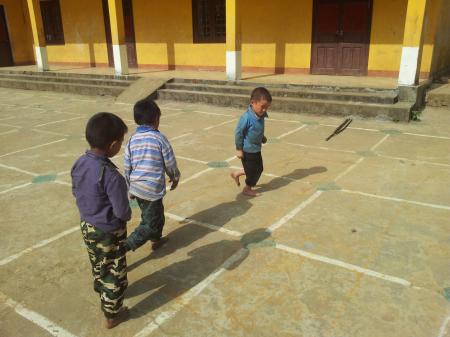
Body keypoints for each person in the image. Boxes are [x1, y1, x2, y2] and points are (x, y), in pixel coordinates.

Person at [71, 112, 131, 329]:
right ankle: (113, 314)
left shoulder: (80, 162)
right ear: (113, 145)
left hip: (87, 225)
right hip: (108, 232)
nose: (120, 147)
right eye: (120, 143)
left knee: (98, 262)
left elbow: (75, 190)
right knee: (115, 272)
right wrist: (127, 217)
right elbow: (122, 211)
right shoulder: (111, 176)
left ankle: (101, 288)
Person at [124, 98, 180, 252]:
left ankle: (156, 239)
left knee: (156, 215)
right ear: (156, 119)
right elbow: (170, 162)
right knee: (149, 223)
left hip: (137, 187)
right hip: (151, 189)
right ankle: (126, 246)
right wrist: (175, 177)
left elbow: (127, 166)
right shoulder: (159, 138)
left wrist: (130, 187)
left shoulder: (131, 140)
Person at [231, 87, 272, 196]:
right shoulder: (246, 118)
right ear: (253, 103)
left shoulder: (261, 115)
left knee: (259, 168)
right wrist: (239, 149)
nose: (264, 110)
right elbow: (238, 133)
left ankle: (237, 173)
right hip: (247, 149)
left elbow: (257, 128)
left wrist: (262, 137)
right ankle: (247, 188)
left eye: (267, 108)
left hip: (256, 148)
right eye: (262, 107)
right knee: (254, 170)